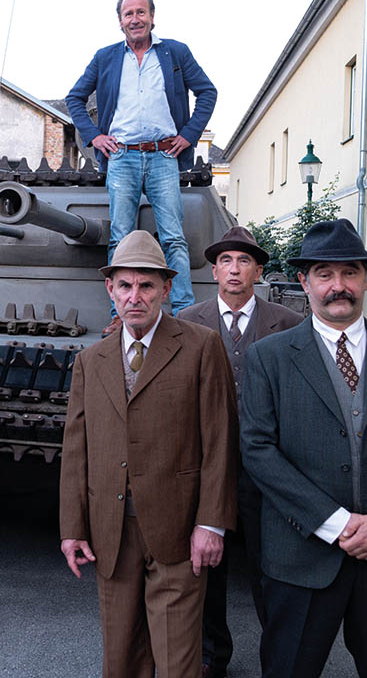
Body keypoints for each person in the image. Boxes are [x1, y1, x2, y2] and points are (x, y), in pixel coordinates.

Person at [239, 219, 367, 678]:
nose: (339, 286)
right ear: (303, 281)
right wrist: (334, 524)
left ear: (366, 279)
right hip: (300, 557)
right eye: (324, 274)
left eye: (350, 272)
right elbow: (257, 451)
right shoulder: (268, 357)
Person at [59, 230, 237, 678]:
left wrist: (210, 523)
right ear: (110, 289)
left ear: (165, 289)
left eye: (146, 286)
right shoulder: (91, 360)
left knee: (178, 662)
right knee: (120, 660)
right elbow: (76, 450)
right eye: (125, 285)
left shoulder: (201, 345)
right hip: (111, 534)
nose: (134, 296)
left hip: (179, 531)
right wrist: (73, 528)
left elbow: (219, 440)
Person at [177, 225, 301, 677]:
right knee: (208, 568)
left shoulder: (286, 323)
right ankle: (212, 654)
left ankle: (281, 656)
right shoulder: (188, 321)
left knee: (270, 568)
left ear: (258, 270)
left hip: (266, 466)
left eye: (244, 261)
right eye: (226, 261)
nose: (234, 269)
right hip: (208, 464)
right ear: (214, 270)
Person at [65, 0, 218, 326]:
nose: (135, 19)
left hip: (163, 154)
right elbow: (74, 98)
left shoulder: (175, 52)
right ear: (120, 22)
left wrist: (188, 135)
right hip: (121, 156)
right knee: (120, 237)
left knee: (173, 236)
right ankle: (118, 315)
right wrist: (94, 137)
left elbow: (207, 92)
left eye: (141, 12)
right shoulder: (106, 57)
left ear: (152, 16)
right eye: (128, 14)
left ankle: (182, 313)